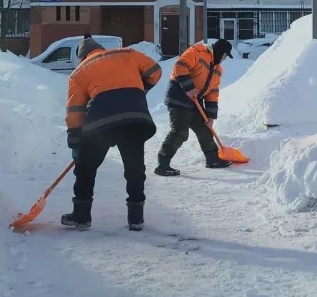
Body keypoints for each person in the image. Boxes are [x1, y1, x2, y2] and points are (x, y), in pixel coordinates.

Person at [62, 34, 163, 231]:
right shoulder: (127, 54)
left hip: (101, 123)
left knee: (86, 168)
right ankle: (136, 218)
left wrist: (75, 141)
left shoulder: (79, 72)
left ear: (82, 56)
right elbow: (155, 71)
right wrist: (138, 89)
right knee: (134, 168)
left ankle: (81, 216)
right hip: (134, 117)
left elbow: (75, 111)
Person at [156, 39, 234, 176]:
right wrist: (189, 87)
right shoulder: (197, 51)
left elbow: (212, 93)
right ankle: (162, 164)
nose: (225, 58)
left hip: (194, 100)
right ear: (220, 52)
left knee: (204, 128)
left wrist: (210, 115)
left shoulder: (217, 69)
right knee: (180, 132)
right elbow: (180, 66)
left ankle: (212, 159)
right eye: (225, 55)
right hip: (178, 96)